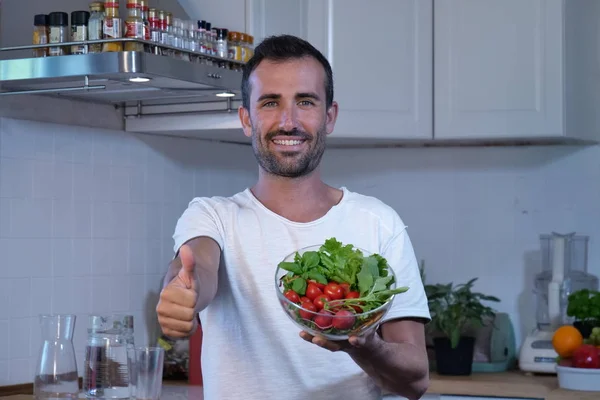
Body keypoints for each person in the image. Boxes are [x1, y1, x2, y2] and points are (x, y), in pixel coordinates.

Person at [156, 34, 431, 400]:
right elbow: (196, 268)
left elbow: (415, 382)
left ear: (329, 116)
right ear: (246, 119)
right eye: (270, 102)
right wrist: (181, 290)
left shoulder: (378, 223)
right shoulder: (213, 216)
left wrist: (363, 346)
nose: (288, 121)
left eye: (305, 101)